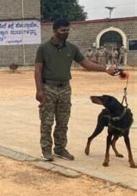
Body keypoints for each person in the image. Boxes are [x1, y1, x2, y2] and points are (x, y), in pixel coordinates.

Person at [35, 18, 119, 162]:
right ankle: (46, 150)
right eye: (62, 30)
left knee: (63, 121)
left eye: (67, 30)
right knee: (47, 121)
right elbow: (38, 70)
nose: (65, 33)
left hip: (65, 89)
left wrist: (105, 69)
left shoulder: (71, 48)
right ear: (54, 31)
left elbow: (86, 63)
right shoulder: (43, 48)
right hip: (48, 87)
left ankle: (60, 149)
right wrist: (39, 90)